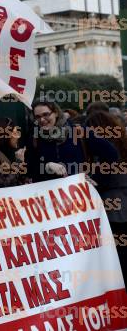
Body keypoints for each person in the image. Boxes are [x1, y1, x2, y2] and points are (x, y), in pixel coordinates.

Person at [25, 100, 118, 182]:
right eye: (37, 117)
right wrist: (47, 166)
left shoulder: (78, 131)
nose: (42, 120)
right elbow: (29, 169)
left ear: (56, 113)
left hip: (79, 196)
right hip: (50, 198)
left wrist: (95, 180)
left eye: (46, 114)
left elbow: (111, 154)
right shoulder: (34, 138)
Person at [85, 110, 127, 280]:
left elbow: (103, 179)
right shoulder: (122, 142)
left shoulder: (103, 151)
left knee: (119, 257)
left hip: (113, 207)